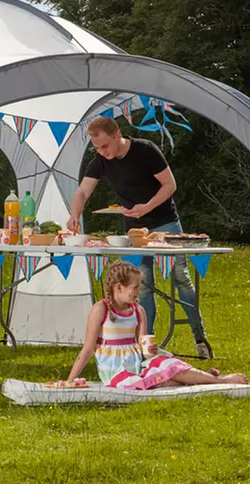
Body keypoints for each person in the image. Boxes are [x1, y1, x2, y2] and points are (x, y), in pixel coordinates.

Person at [66, 116, 213, 359]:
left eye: (105, 146)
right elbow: (82, 192)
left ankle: (199, 336)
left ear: (117, 135)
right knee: (141, 287)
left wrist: (146, 206)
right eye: (97, 148)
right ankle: (147, 347)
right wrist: (74, 215)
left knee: (181, 278)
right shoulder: (100, 161)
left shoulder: (145, 150)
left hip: (166, 223)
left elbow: (170, 185)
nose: (102, 152)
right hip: (134, 231)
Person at [63, 261, 248, 389]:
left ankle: (215, 379)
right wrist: (70, 380)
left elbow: (145, 351)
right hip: (115, 369)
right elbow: (88, 349)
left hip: (138, 363)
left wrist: (151, 349)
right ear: (118, 287)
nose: (138, 292)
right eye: (134, 288)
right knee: (156, 381)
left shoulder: (138, 310)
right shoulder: (101, 309)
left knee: (167, 367)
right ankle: (208, 379)